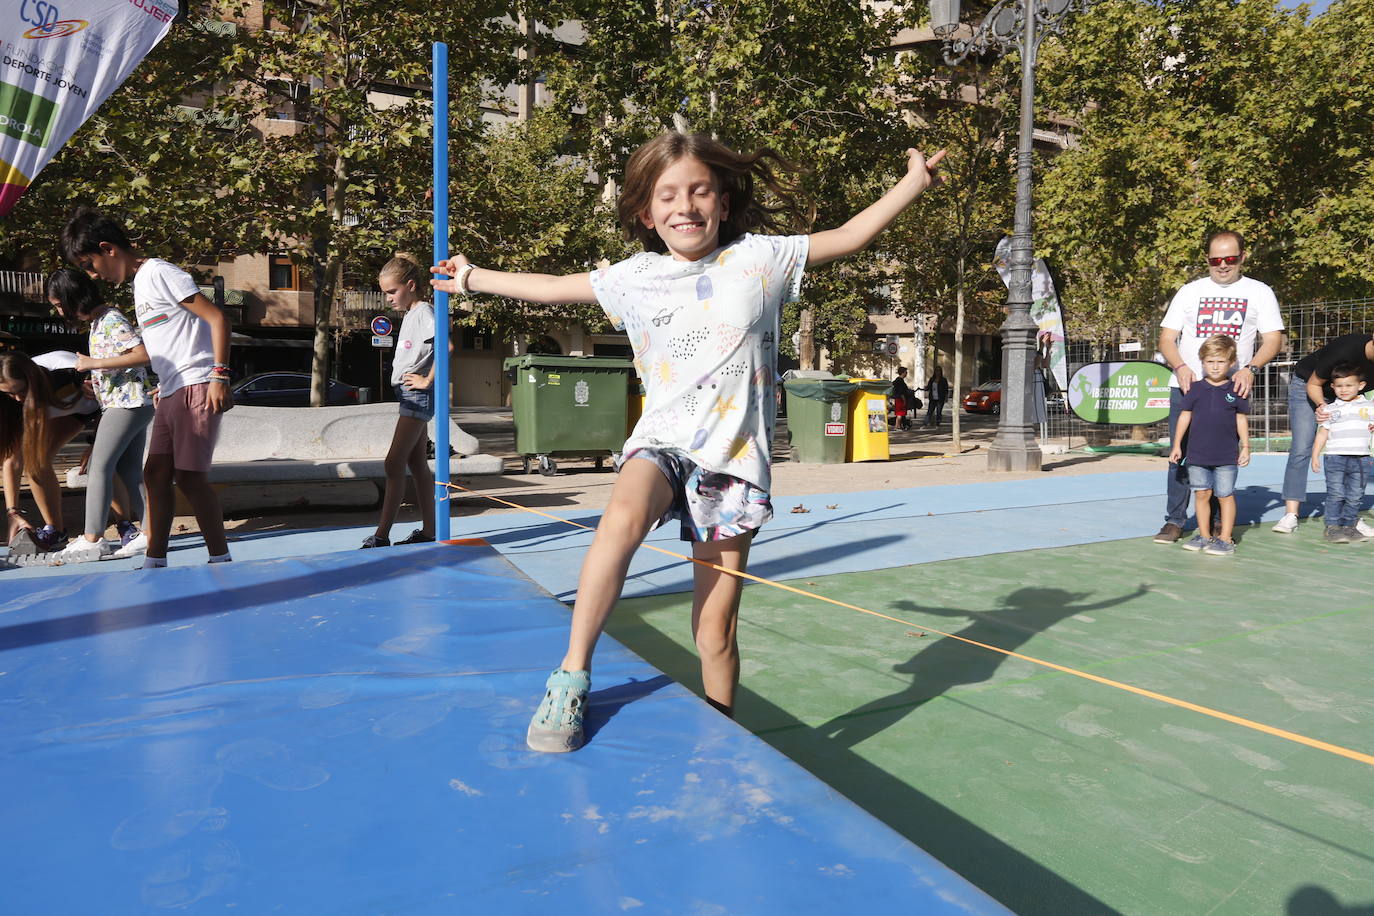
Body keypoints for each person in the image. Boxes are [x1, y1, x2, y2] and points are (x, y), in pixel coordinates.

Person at [431, 131, 944, 752]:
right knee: (619, 520)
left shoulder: (761, 259)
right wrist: (472, 278)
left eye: (700, 190)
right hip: (664, 443)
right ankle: (571, 674)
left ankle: (721, 728)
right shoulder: (635, 278)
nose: (686, 206)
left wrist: (913, 183)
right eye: (668, 195)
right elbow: (552, 285)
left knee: (715, 630)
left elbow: (848, 236)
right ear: (647, 213)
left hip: (734, 459)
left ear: (723, 201)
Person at [60, 207, 234, 568]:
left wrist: (219, 375)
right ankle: (155, 560)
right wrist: (161, 384)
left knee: (189, 477)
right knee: (154, 473)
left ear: (108, 249)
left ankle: (221, 558)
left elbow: (218, 318)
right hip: (170, 390)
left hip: (198, 382)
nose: (93, 275)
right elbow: (166, 342)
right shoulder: (139, 284)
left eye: (90, 264)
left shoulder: (159, 271)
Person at [1154, 230, 1282, 544]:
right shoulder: (1189, 291)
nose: (1222, 265)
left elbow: (1273, 340)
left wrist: (1251, 368)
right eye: (1216, 259)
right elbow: (1167, 339)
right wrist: (1181, 366)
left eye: (1230, 259)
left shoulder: (1260, 292)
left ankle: (1211, 523)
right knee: (1181, 454)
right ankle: (1174, 520)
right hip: (1189, 389)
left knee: (1219, 457)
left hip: (1228, 391)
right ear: (1207, 259)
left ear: (1242, 257)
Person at [42, 269, 154, 562]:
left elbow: (143, 354)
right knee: (129, 472)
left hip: (126, 404)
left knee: (98, 468)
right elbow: (119, 365)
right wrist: (97, 380)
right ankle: (151, 533)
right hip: (127, 402)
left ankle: (93, 538)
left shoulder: (111, 319)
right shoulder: (98, 322)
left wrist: (95, 363)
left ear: (72, 297)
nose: (58, 310)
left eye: (58, 304)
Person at [360, 253, 437, 549]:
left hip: (416, 394)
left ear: (411, 285)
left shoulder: (425, 313)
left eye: (392, 292)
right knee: (416, 463)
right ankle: (429, 531)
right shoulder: (412, 314)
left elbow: (448, 345)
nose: (389, 298)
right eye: (385, 293)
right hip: (408, 393)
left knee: (393, 463)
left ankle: (381, 535)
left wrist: (427, 380)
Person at [1272, 332, 1374, 536]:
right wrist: (1322, 407)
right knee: (1302, 447)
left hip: (1351, 393)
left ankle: (1350, 518)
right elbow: (1314, 383)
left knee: (1355, 450)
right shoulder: (1348, 348)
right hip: (1309, 386)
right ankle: (1291, 514)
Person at [1, 350, 100, 554]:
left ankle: (124, 524)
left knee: (103, 461)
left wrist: (96, 443)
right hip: (58, 411)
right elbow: (12, 460)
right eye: (10, 393)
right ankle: (55, 530)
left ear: (32, 378)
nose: (18, 398)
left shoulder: (67, 374)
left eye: (21, 390)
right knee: (36, 462)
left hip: (95, 407)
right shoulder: (10, 402)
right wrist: (12, 512)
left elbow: (111, 400)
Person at [1167, 335, 1250, 556]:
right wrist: (1176, 445)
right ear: (1202, 362)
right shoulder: (1194, 389)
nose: (1215, 366)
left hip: (1226, 456)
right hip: (1197, 455)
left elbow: (1241, 419)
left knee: (1225, 494)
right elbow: (1184, 417)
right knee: (1201, 494)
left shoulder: (1236, 390)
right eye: (1210, 361)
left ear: (1231, 363)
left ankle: (1225, 538)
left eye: (1221, 361)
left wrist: (1246, 447)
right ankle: (1204, 535)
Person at [1308, 363, 1374, 544]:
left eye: (1349, 385)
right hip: (1335, 458)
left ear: (1361, 385)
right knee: (1336, 493)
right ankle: (1332, 527)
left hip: (1362, 459)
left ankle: (1349, 526)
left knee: (1355, 495)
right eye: (1339, 386)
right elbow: (1322, 433)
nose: (1344, 390)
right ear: (1332, 387)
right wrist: (1315, 455)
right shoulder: (1329, 409)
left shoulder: (1370, 407)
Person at [891, 366, 915, 431]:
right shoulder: (900, 381)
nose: (906, 373)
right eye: (906, 372)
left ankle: (897, 426)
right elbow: (901, 392)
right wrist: (904, 400)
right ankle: (897, 427)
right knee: (900, 413)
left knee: (899, 413)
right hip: (901, 399)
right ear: (903, 373)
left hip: (897, 399)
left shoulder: (896, 380)